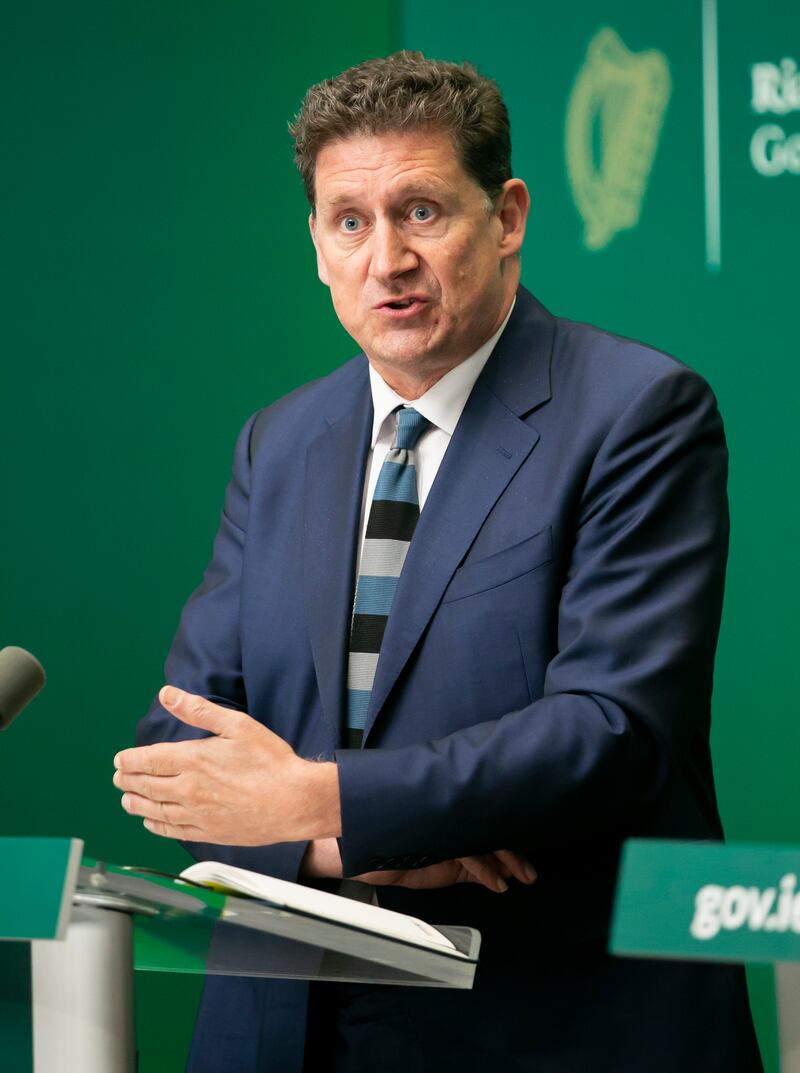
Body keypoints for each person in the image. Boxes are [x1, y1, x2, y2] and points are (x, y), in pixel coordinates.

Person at [117, 52, 763, 1072]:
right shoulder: (277, 442)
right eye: (349, 221)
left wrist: (324, 799)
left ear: (505, 217)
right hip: (288, 1027)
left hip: (546, 1022)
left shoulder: (637, 413)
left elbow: (611, 727)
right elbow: (178, 739)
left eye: (420, 212)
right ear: (317, 245)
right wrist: (349, 838)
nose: (387, 259)